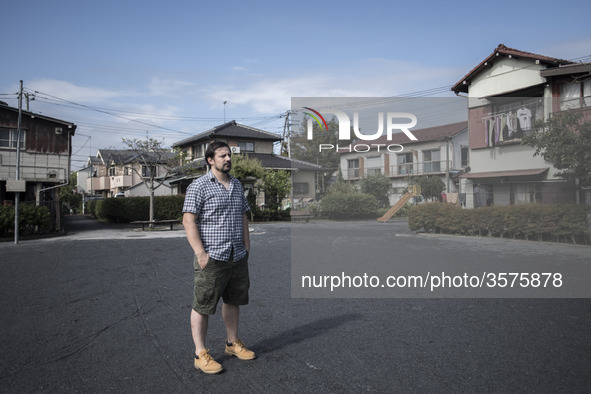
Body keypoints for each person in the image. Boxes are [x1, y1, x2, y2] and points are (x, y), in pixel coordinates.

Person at [182, 140, 255, 374]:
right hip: (212, 256)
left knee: (233, 299)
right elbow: (188, 220)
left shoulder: (236, 185)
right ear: (210, 160)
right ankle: (200, 353)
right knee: (203, 305)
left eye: (229, 155)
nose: (228, 159)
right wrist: (201, 254)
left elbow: (243, 215)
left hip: (236, 254)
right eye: (222, 156)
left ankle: (232, 343)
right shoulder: (199, 186)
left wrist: (246, 244)